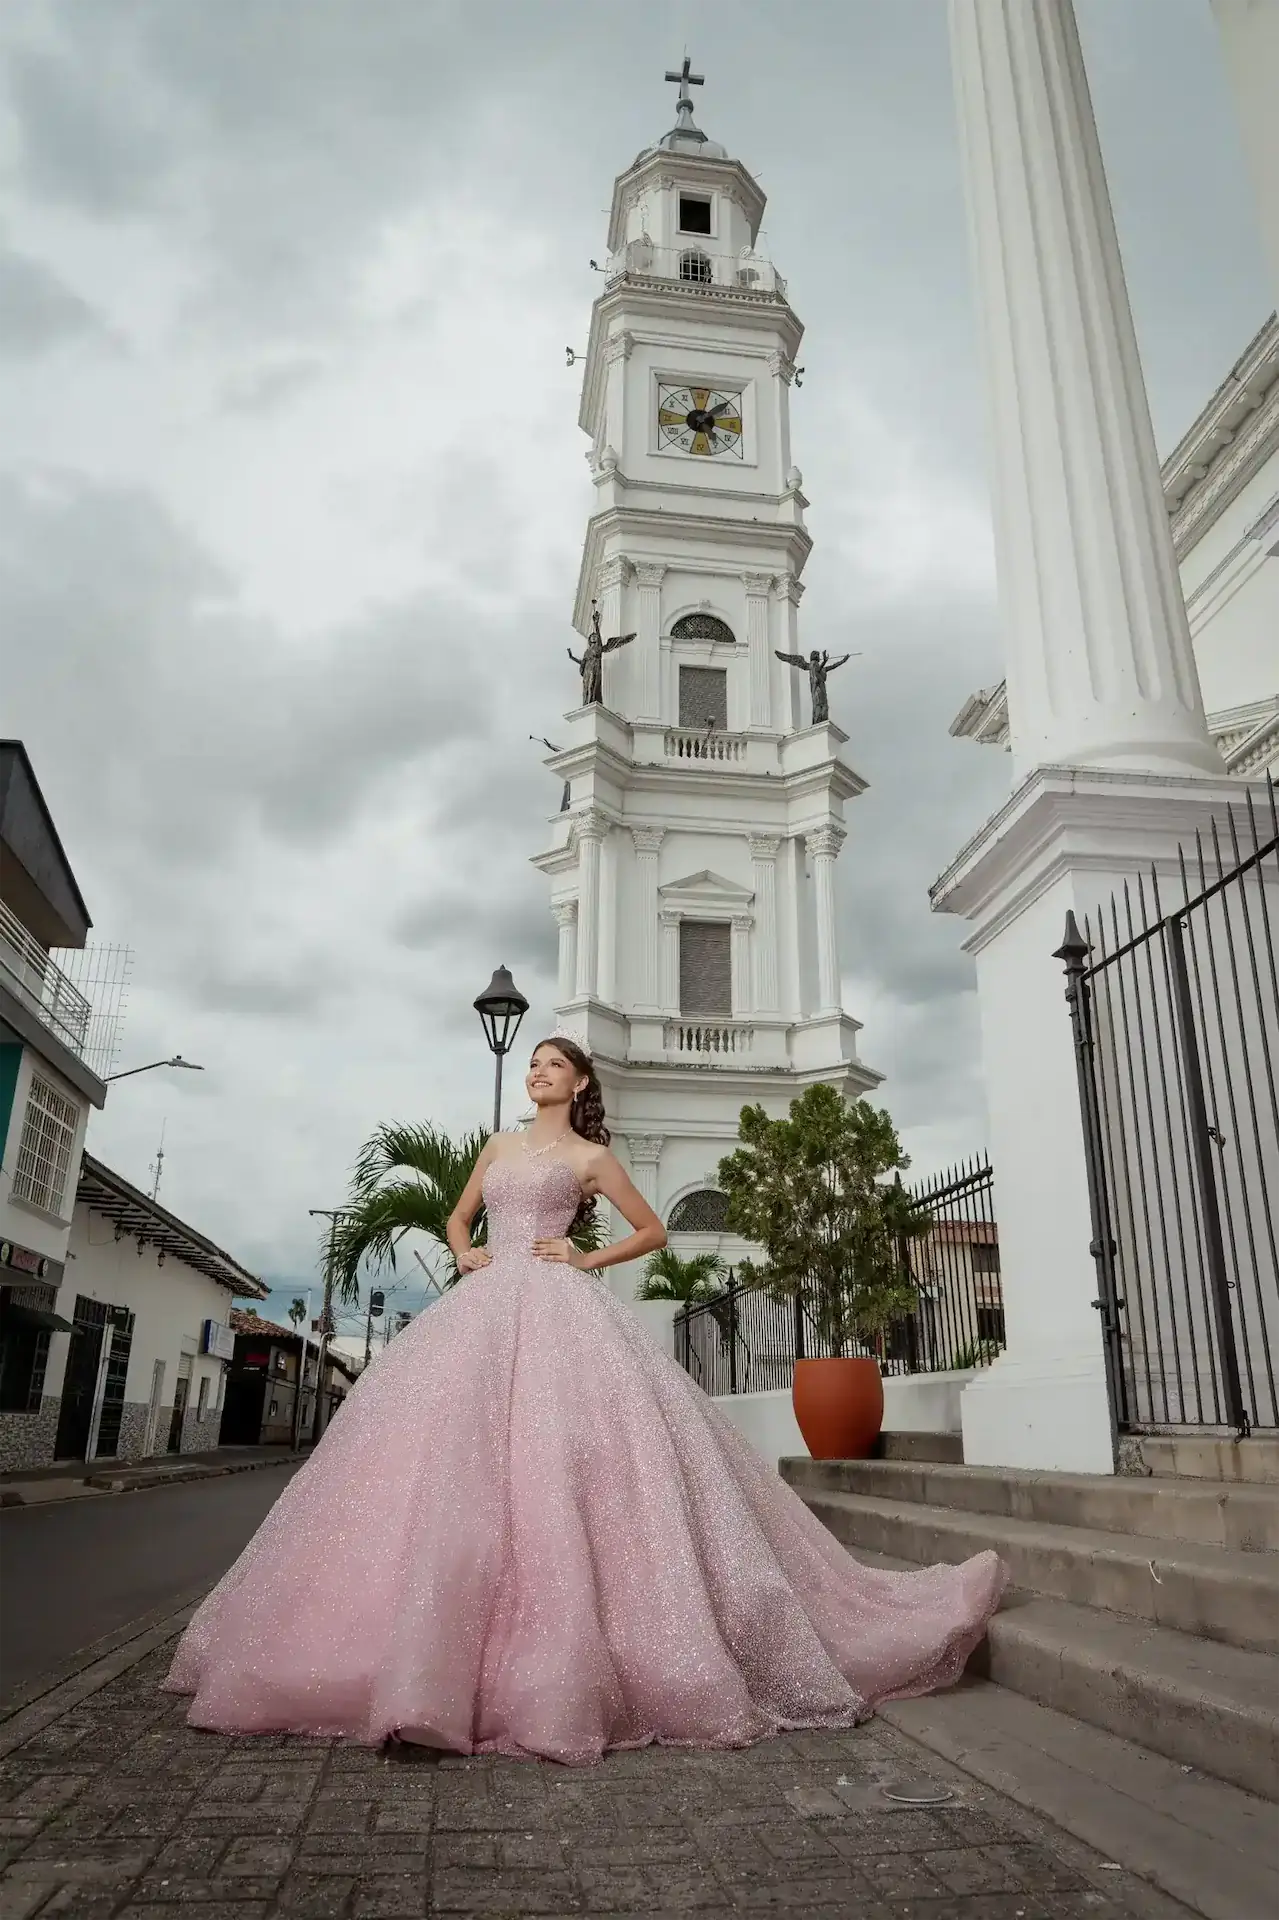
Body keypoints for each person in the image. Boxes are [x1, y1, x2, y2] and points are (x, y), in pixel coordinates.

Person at [163, 1034, 1004, 1766]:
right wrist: (467, 1255)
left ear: (578, 1085)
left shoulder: (590, 1160)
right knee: (445, 1458)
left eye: (551, 1065)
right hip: (485, 1310)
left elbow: (653, 1230)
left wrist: (581, 1260)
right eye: (530, 1063)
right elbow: (458, 1223)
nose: (536, 1074)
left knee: (565, 1456)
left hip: (560, 1303)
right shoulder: (496, 1146)